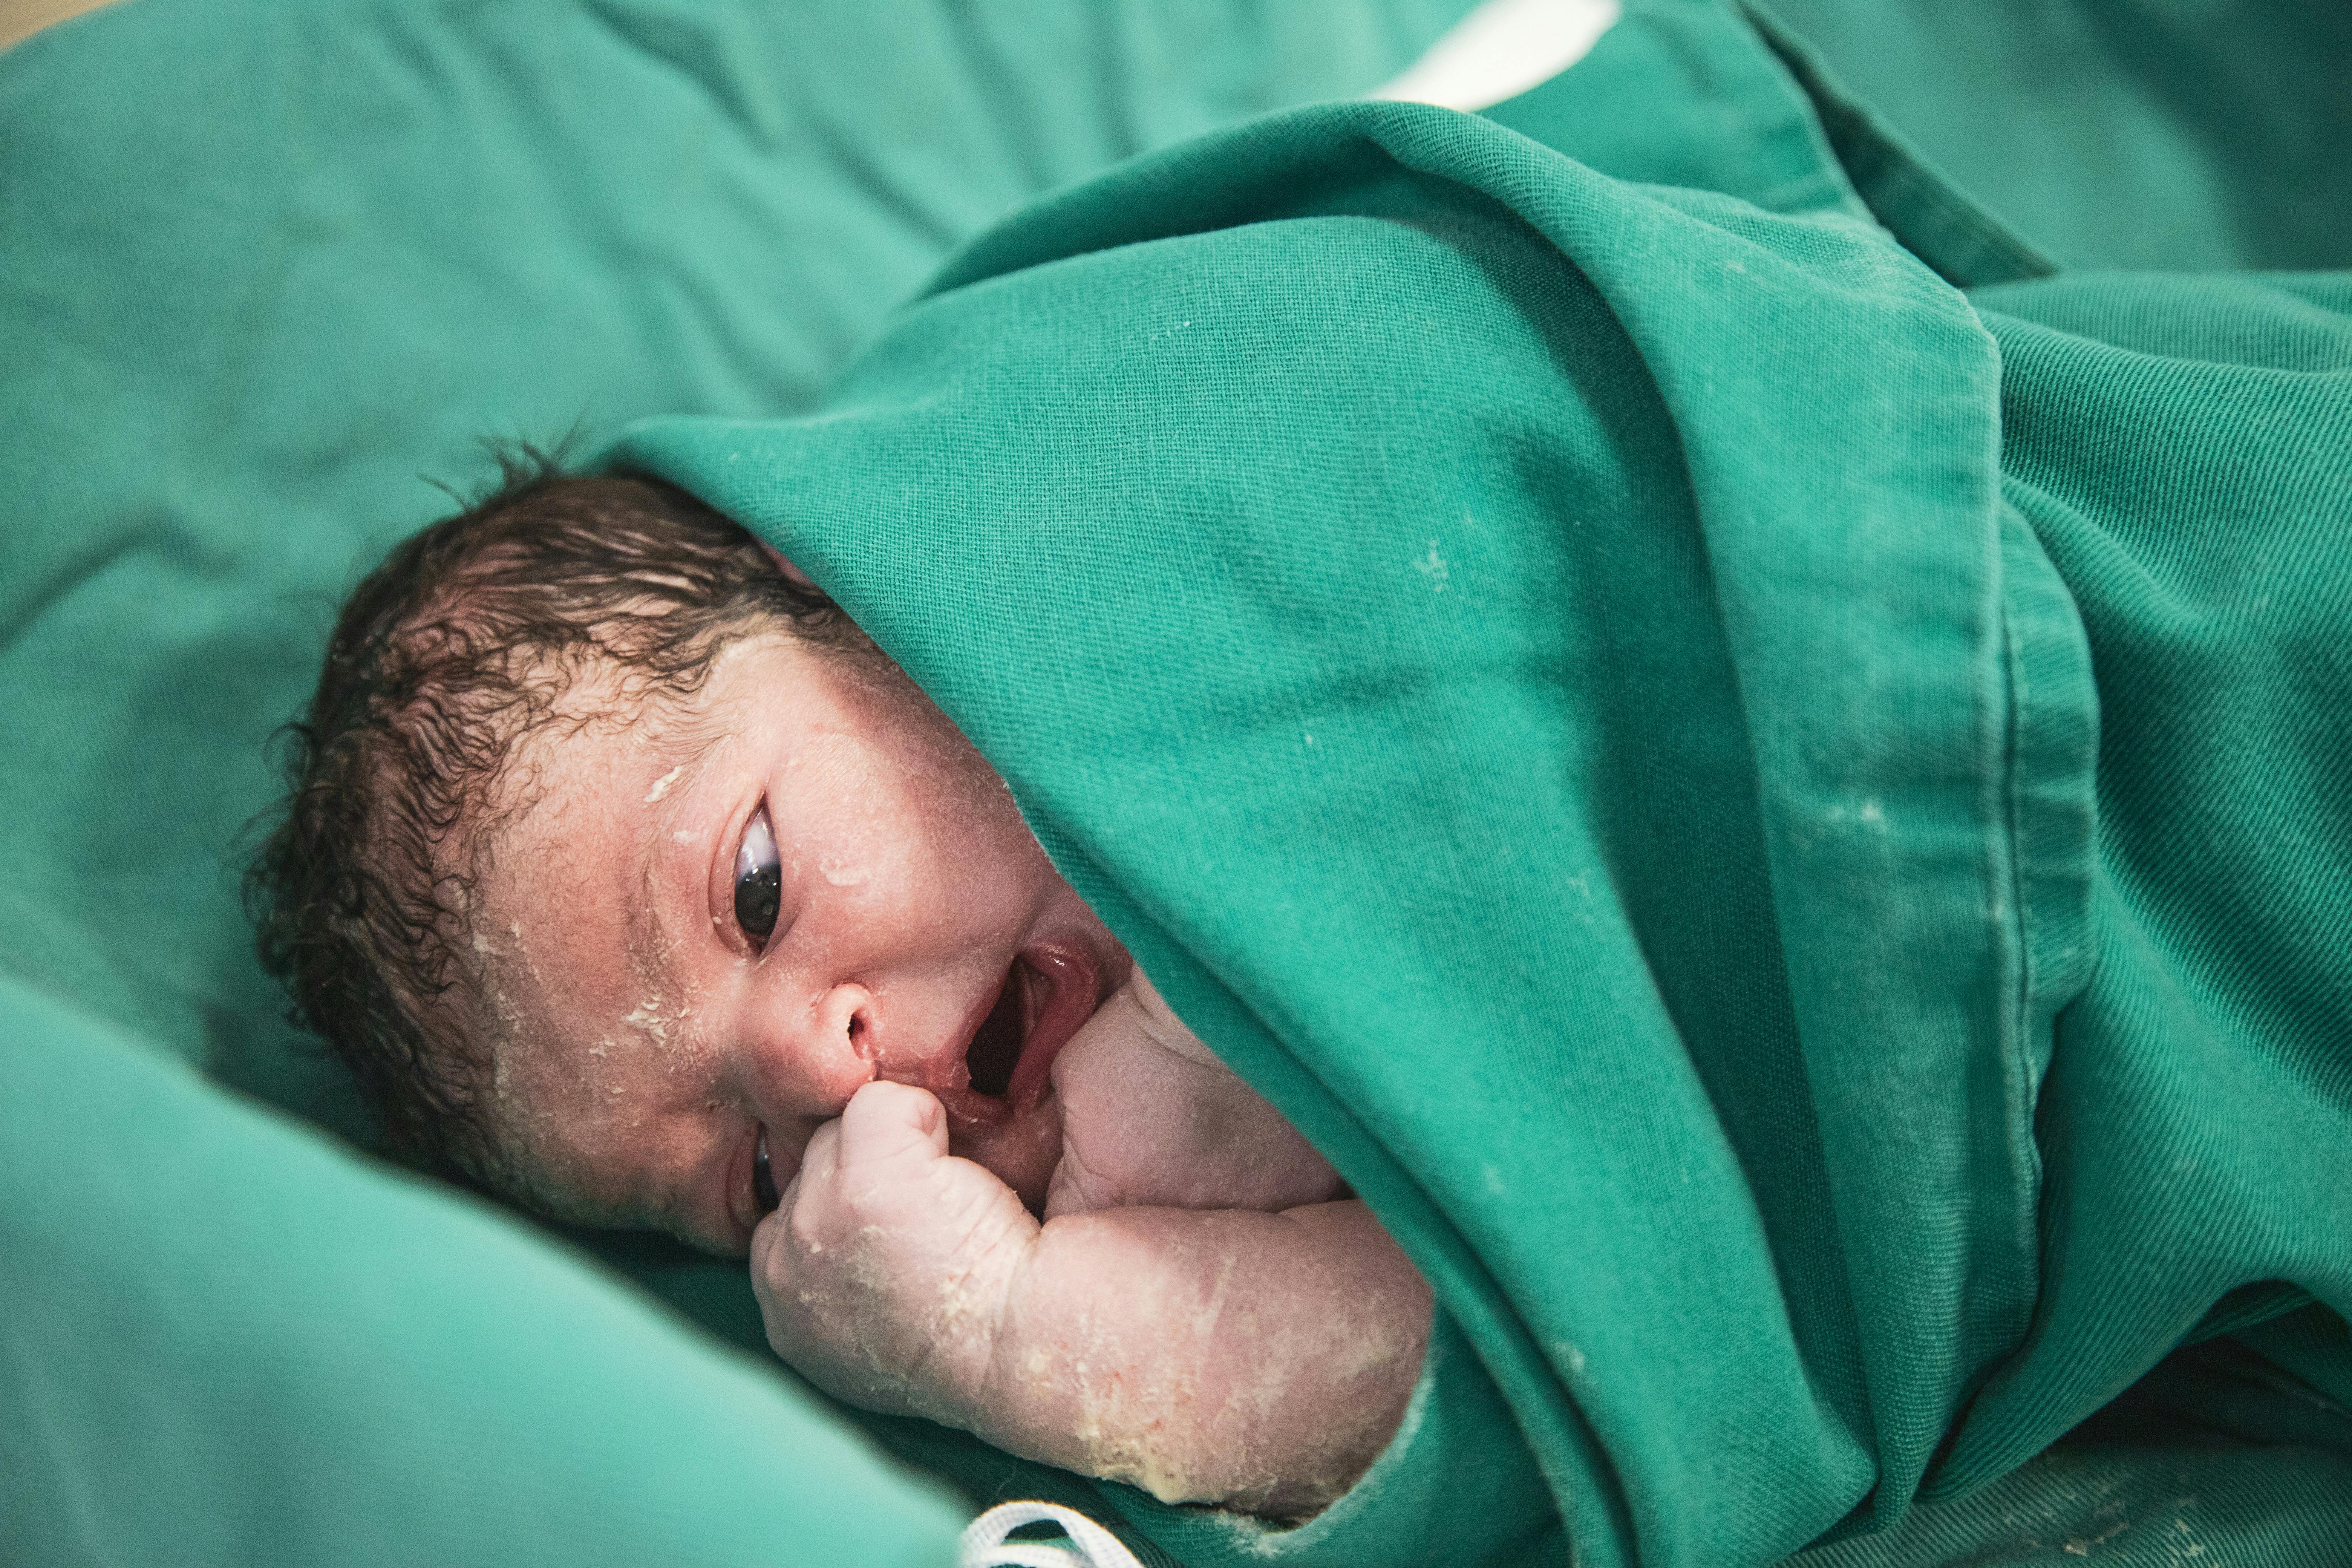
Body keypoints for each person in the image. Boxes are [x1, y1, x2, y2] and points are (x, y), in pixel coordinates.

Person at [248, 459, 1432, 1520]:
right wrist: (1010, 1332)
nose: (818, 1080)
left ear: (845, 598)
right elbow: (1503, 1367)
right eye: (759, 1178)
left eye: (755, 889)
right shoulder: (1072, 1233)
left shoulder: (1162, 532)